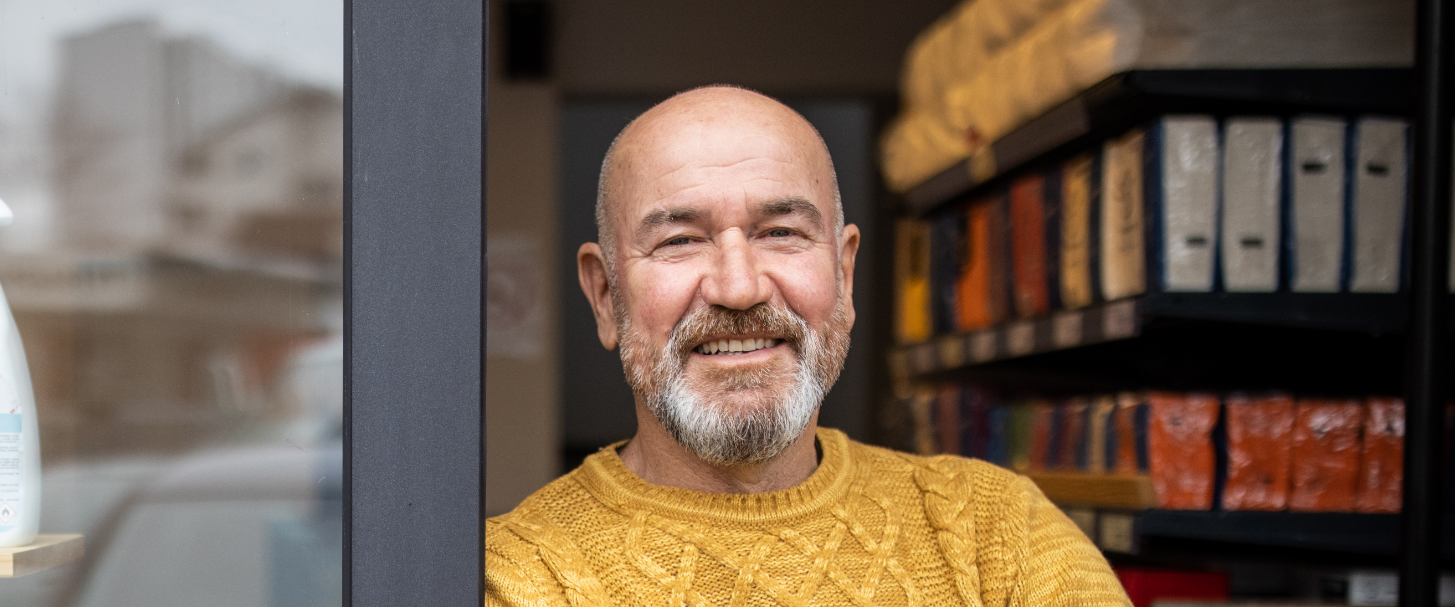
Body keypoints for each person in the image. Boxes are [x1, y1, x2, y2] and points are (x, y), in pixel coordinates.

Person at [484, 86, 1132, 607]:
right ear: (605, 297)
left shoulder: (996, 534)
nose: (739, 288)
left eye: (781, 232)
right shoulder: (517, 579)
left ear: (844, 276)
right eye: (679, 240)